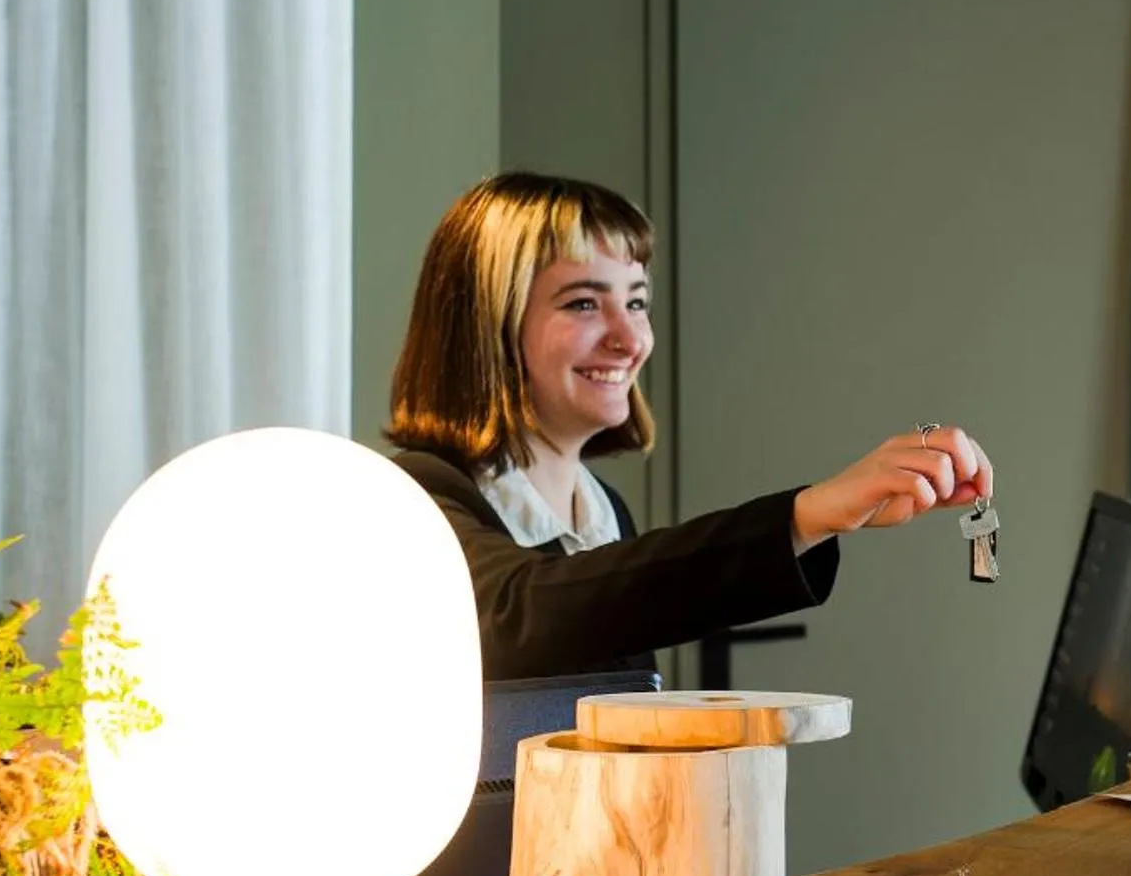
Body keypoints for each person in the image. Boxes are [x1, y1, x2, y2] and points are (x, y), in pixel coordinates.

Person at [387, 172, 992, 679]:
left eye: (636, 301)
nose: (630, 340)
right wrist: (806, 514)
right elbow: (519, 610)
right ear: (487, 325)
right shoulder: (417, 497)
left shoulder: (604, 511)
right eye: (583, 303)